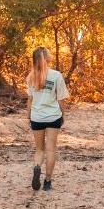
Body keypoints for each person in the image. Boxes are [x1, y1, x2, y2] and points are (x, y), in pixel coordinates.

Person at [25, 46, 69, 191]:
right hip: (53, 117)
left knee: (39, 149)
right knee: (51, 150)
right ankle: (48, 182)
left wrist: (29, 116)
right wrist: (63, 115)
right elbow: (61, 99)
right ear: (47, 58)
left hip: (36, 117)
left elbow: (30, 100)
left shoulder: (31, 77)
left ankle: (37, 167)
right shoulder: (56, 75)